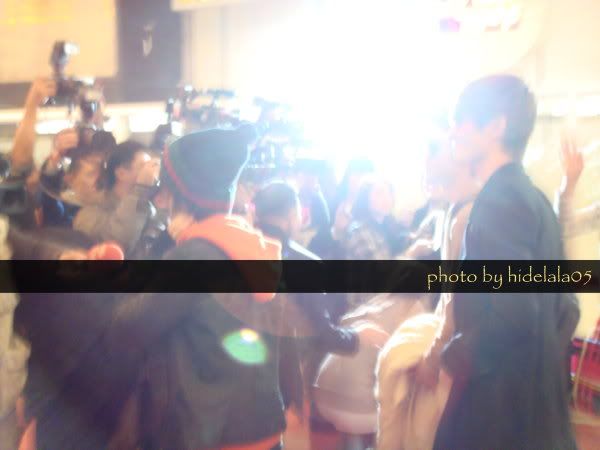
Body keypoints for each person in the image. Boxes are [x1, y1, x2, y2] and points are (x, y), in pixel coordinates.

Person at [72, 125, 288, 450]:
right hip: (261, 425)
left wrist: (105, 277)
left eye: (165, 190)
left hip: (212, 433)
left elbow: (126, 330)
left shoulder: (193, 257)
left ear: (181, 196)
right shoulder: (251, 246)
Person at [431, 74, 580, 450]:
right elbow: (565, 308)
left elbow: (514, 314)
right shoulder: (533, 199)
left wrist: (453, 355)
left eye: (461, 119)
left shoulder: (500, 201)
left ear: (496, 126)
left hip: (501, 417)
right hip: (533, 410)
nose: (453, 130)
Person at [73, 140, 159, 253]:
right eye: (143, 166)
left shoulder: (147, 205)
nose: (150, 172)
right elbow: (118, 245)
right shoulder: (90, 213)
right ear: (121, 173)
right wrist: (141, 190)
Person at [39, 128, 116, 227]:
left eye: (102, 173)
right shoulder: (62, 207)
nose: (99, 180)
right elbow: (49, 188)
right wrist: (56, 158)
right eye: (91, 174)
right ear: (69, 179)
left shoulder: (110, 203)